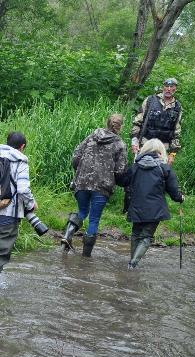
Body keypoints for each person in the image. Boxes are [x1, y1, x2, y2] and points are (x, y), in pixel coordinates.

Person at [0, 131, 37, 294]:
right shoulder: (21, 162)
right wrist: (31, 204)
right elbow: (23, 190)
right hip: (8, 217)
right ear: (22, 147)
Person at [64, 114, 128, 256]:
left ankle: (68, 234)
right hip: (102, 186)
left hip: (82, 182)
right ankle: (86, 257)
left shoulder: (92, 136)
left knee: (82, 212)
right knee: (94, 219)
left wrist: (81, 172)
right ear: (121, 126)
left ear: (107, 123)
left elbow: (76, 157)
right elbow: (120, 171)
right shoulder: (120, 144)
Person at [116, 138, 184, 269]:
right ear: (161, 151)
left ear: (145, 150)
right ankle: (133, 264)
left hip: (136, 207)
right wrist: (181, 198)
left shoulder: (135, 166)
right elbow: (174, 193)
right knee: (146, 236)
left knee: (136, 234)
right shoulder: (165, 168)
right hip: (155, 209)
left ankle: (132, 263)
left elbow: (122, 181)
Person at [131, 78, 182, 165]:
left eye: (171, 87)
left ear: (175, 89)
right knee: (141, 171)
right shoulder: (150, 100)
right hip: (145, 143)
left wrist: (173, 154)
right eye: (166, 86)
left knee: (159, 175)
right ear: (163, 87)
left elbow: (176, 132)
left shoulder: (177, 107)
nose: (168, 89)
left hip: (163, 147)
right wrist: (134, 141)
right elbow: (137, 122)